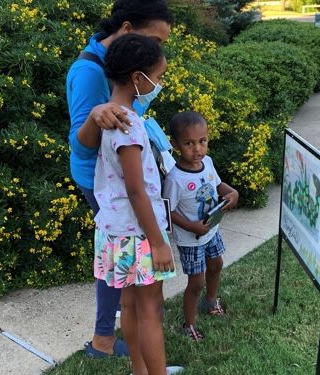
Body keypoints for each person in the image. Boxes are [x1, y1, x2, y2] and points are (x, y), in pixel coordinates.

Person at [65, 0, 174, 358]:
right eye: (155, 41)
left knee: (123, 274)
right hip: (108, 184)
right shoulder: (90, 72)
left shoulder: (126, 72)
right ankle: (103, 338)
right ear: (128, 29)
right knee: (130, 278)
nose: (157, 50)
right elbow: (82, 146)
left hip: (122, 179)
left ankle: (114, 341)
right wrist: (96, 115)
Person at [94, 33, 182, 375]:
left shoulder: (112, 117)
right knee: (150, 311)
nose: (158, 84)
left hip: (118, 230)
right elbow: (136, 189)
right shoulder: (127, 125)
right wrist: (158, 242)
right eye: (157, 78)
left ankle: (139, 370)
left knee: (130, 305)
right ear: (137, 78)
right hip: (140, 234)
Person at [162, 111, 239, 342]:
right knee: (196, 283)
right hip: (191, 239)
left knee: (216, 264)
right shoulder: (175, 178)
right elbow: (167, 211)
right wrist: (191, 226)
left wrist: (231, 192)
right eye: (189, 143)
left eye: (202, 141)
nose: (197, 149)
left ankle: (211, 301)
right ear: (175, 144)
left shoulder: (207, 163)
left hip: (211, 230)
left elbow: (217, 185)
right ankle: (189, 324)